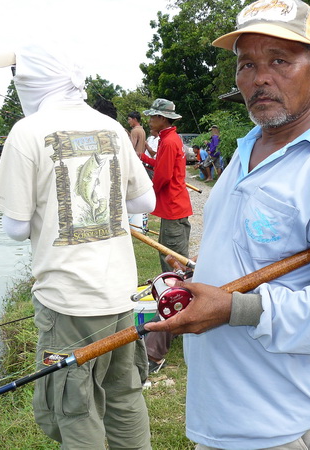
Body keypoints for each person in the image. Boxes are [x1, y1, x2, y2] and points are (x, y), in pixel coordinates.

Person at [146, 1, 310, 448]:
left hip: (282, 425)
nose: (260, 77)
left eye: (279, 60)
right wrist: (199, 275)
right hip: (221, 417)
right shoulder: (244, 154)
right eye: (247, 64)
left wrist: (235, 308)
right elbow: (249, 253)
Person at [0, 41, 154, 449]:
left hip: (68, 303)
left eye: (17, 75)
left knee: (73, 409)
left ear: (32, 80)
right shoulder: (112, 128)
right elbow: (144, 202)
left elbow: (14, 228)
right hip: (122, 297)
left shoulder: (26, 133)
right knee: (125, 395)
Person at [139, 98, 193, 375]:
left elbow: (160, 178)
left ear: (164, 118)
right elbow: (160, 166)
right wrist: (144, 159)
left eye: (153, 117)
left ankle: (173, 322)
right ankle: (175, 320)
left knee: (172, 270)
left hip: (172, 208)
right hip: (173, 207)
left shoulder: (169, 141)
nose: (150, 120)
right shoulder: (169, 140)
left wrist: (144, 188)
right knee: (171, 263)